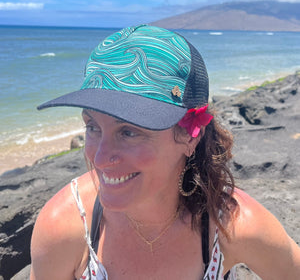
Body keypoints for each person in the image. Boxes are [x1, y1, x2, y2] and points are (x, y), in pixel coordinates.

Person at [30, 25, 300, 280]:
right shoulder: (65, 227)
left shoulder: (231, 226)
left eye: (129, 132)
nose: (99, 159)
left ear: (190, 137)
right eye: (92, 126)